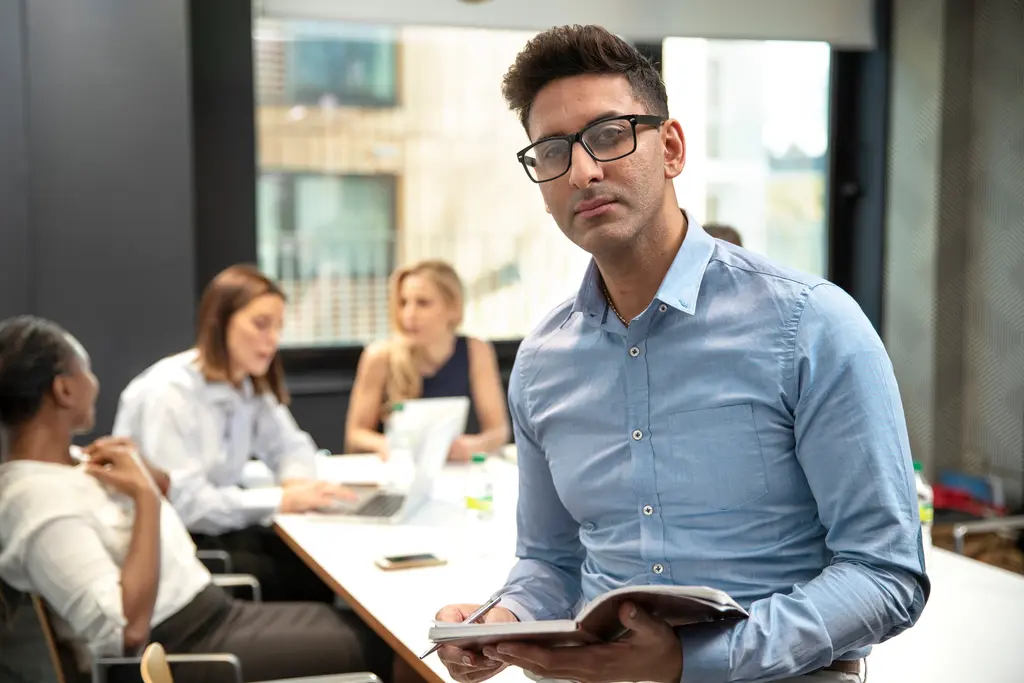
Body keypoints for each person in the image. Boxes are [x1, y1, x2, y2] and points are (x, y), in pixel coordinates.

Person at [434, 25, 929, 683]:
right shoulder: (543, 360)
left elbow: (886, 572)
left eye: (609, 135)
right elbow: (549, 559)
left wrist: (691, 661)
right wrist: (503, 618)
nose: (583, 170)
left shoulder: (811, 324)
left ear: (669, 148)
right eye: (553, 151)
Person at [0, 316, 392, 683]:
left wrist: (150, 479)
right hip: (185, 643)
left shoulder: (71, 464)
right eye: (85, 369)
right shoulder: (37, 504)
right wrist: (145, 500)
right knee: (391, 650)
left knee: (368, 622)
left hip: (211, 611)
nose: (95, 381)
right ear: (64, 388)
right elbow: (125, 631)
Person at [112, 264, 350, 603]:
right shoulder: (168, 393)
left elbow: (291, 446)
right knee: (308, 577)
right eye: (261, 324)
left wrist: (296, 482)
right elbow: (188, 504)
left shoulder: (247, 383)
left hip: (215, 528)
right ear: (220, 322)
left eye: (278, 327)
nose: (272, 340)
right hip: (173, 548)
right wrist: (281, 499)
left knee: (321, 561)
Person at [345, 260, 510, 461]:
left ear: (452, 308)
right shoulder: (379, 356)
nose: (409, 314)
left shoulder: (476, 350)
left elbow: (498, 430)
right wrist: (387, 446)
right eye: (403, 302)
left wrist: (472, 446)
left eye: (423, 303)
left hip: (454, 470)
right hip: (397, 472)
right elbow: (355, 434)